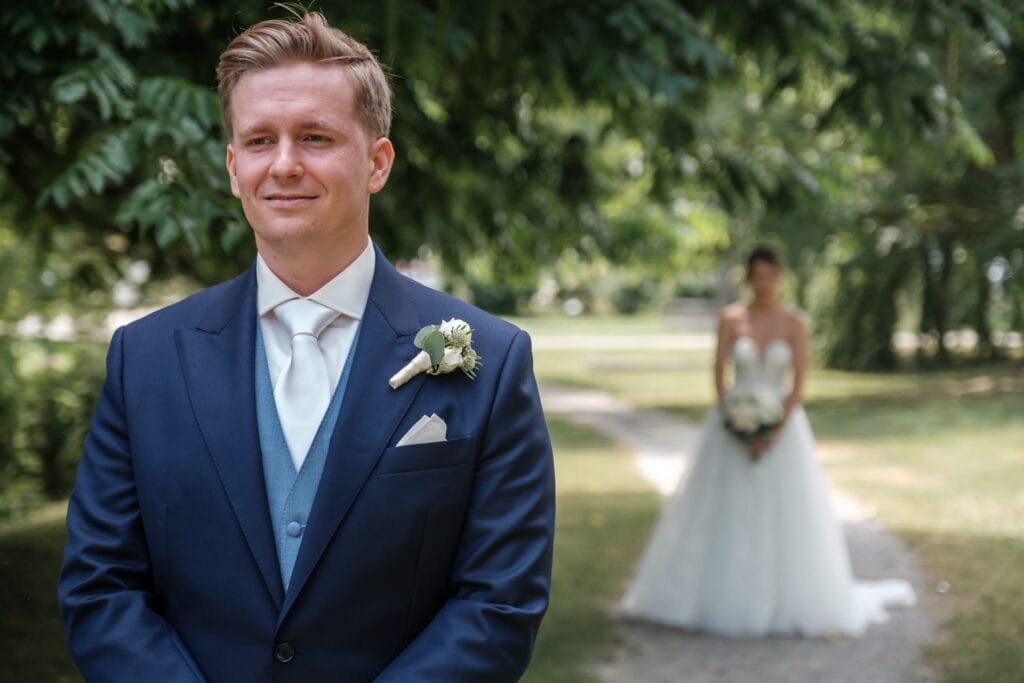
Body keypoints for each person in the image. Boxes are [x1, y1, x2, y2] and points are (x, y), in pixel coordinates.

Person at [57, 11, 555, 681]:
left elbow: (500, 601)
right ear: (235, 168)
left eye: (315, 137)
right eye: (260, 140)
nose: (284, 164)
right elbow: (100, 585)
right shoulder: (144, 357)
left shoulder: (493, 360)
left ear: (376, 162)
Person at [621, 245, 915, 637]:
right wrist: (735, 421)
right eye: (756, 276)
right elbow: (718, 373)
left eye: (770, 276)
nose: (763, 284)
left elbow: (798, 384)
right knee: (723, 511)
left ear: (779, 277)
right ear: (748, 278)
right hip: (730, 428)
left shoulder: (794, 322)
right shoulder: (731, 318)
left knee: (785, 513)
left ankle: (783, 601)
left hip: (782, 427)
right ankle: (711, 597)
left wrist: (772, 428)